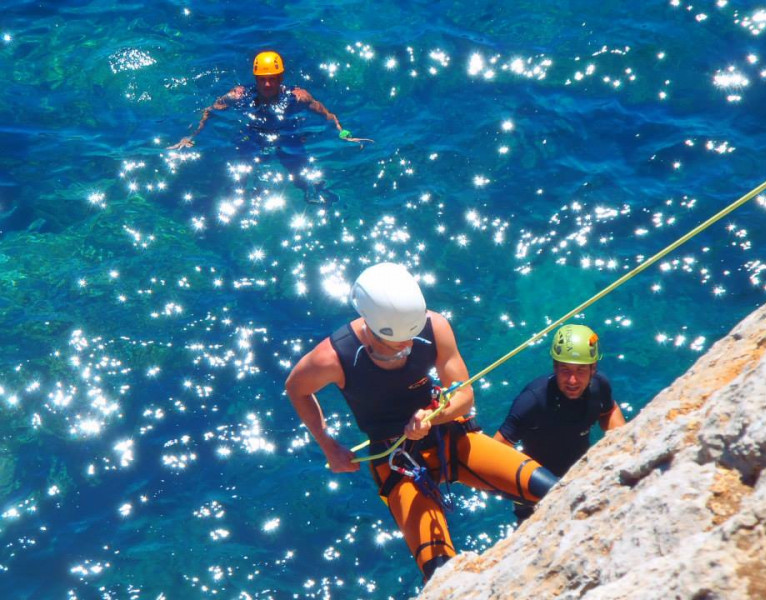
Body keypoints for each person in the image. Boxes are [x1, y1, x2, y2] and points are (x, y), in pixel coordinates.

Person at [284, 262, 559, 581]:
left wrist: (434, 416)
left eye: (412, 338)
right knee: (440, 572)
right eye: (397, 344)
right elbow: (296, 388)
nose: (408, 347)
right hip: (397, 461)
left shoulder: (434, 327)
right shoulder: (332, 358)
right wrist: (328, 445)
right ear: (370, 329)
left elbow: (465, 396)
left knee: (555, 490)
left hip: (449, 436)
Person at [168, 50, 371, 204]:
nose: (266, 85)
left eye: (271, 80)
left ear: (280, 78)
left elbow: (328, 115)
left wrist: (343, 134)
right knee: (239, 176)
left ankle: (316, 199)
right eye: (262, 80)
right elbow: (209, 111)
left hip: (287, 135)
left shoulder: (298, 97)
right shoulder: (238, 95)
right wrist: (191, 135)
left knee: (303, 176)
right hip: (252, 134)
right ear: (255, 79)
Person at [494, 323, 626, 522]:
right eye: (565, 370)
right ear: (554, 366)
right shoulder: (533, 401)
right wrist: (515, 489)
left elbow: (609, 411)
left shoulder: (599, 387)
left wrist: (622, 444)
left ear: (593, 369)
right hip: (535, 491)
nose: (572, 380)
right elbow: (496, 450)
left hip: (580, 475)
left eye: (581, 371)